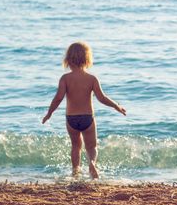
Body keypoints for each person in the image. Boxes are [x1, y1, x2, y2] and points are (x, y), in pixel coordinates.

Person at [42, 42, 126, 179]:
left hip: (71, 119)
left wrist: (49, 114)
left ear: (68, 59)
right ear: (87, 59)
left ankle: (75, 171)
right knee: (91, 147)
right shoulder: (92, 79)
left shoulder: (65, 79)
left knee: (76, 146)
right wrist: (116, 106)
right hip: (88, 118)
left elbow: (58, 98)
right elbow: (102, 98)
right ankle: (92, 163)